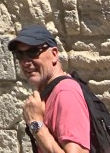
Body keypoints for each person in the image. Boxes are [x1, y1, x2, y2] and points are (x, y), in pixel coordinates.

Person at [9, 24, 90, 153]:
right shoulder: (51, 92)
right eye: (19, 54)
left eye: (33, 52)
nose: (25, 62)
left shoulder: (65, 93)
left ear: (54, 54)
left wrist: (36, 123)